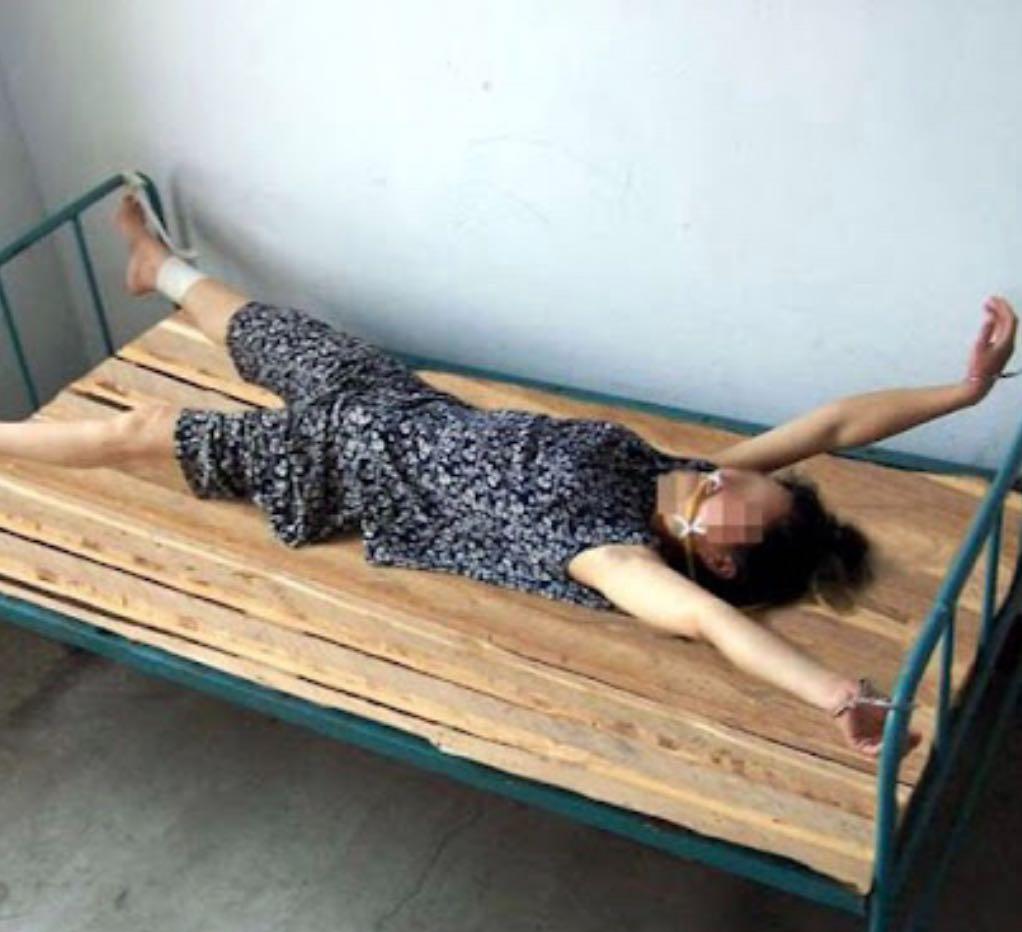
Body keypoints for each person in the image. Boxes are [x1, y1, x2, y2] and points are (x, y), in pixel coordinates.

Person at [7, 190, 1016, 759]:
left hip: (337, 468)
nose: (729, 479)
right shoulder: (672, 468)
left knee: (148, 425)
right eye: (751, 482)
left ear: (714, 555)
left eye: (738, 499)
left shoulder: (615, 559)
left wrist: (837, 693)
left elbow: (718, 629)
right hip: (393, 401)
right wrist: (961, 392)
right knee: (261, 326)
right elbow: (832, 423)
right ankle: (157, 266)